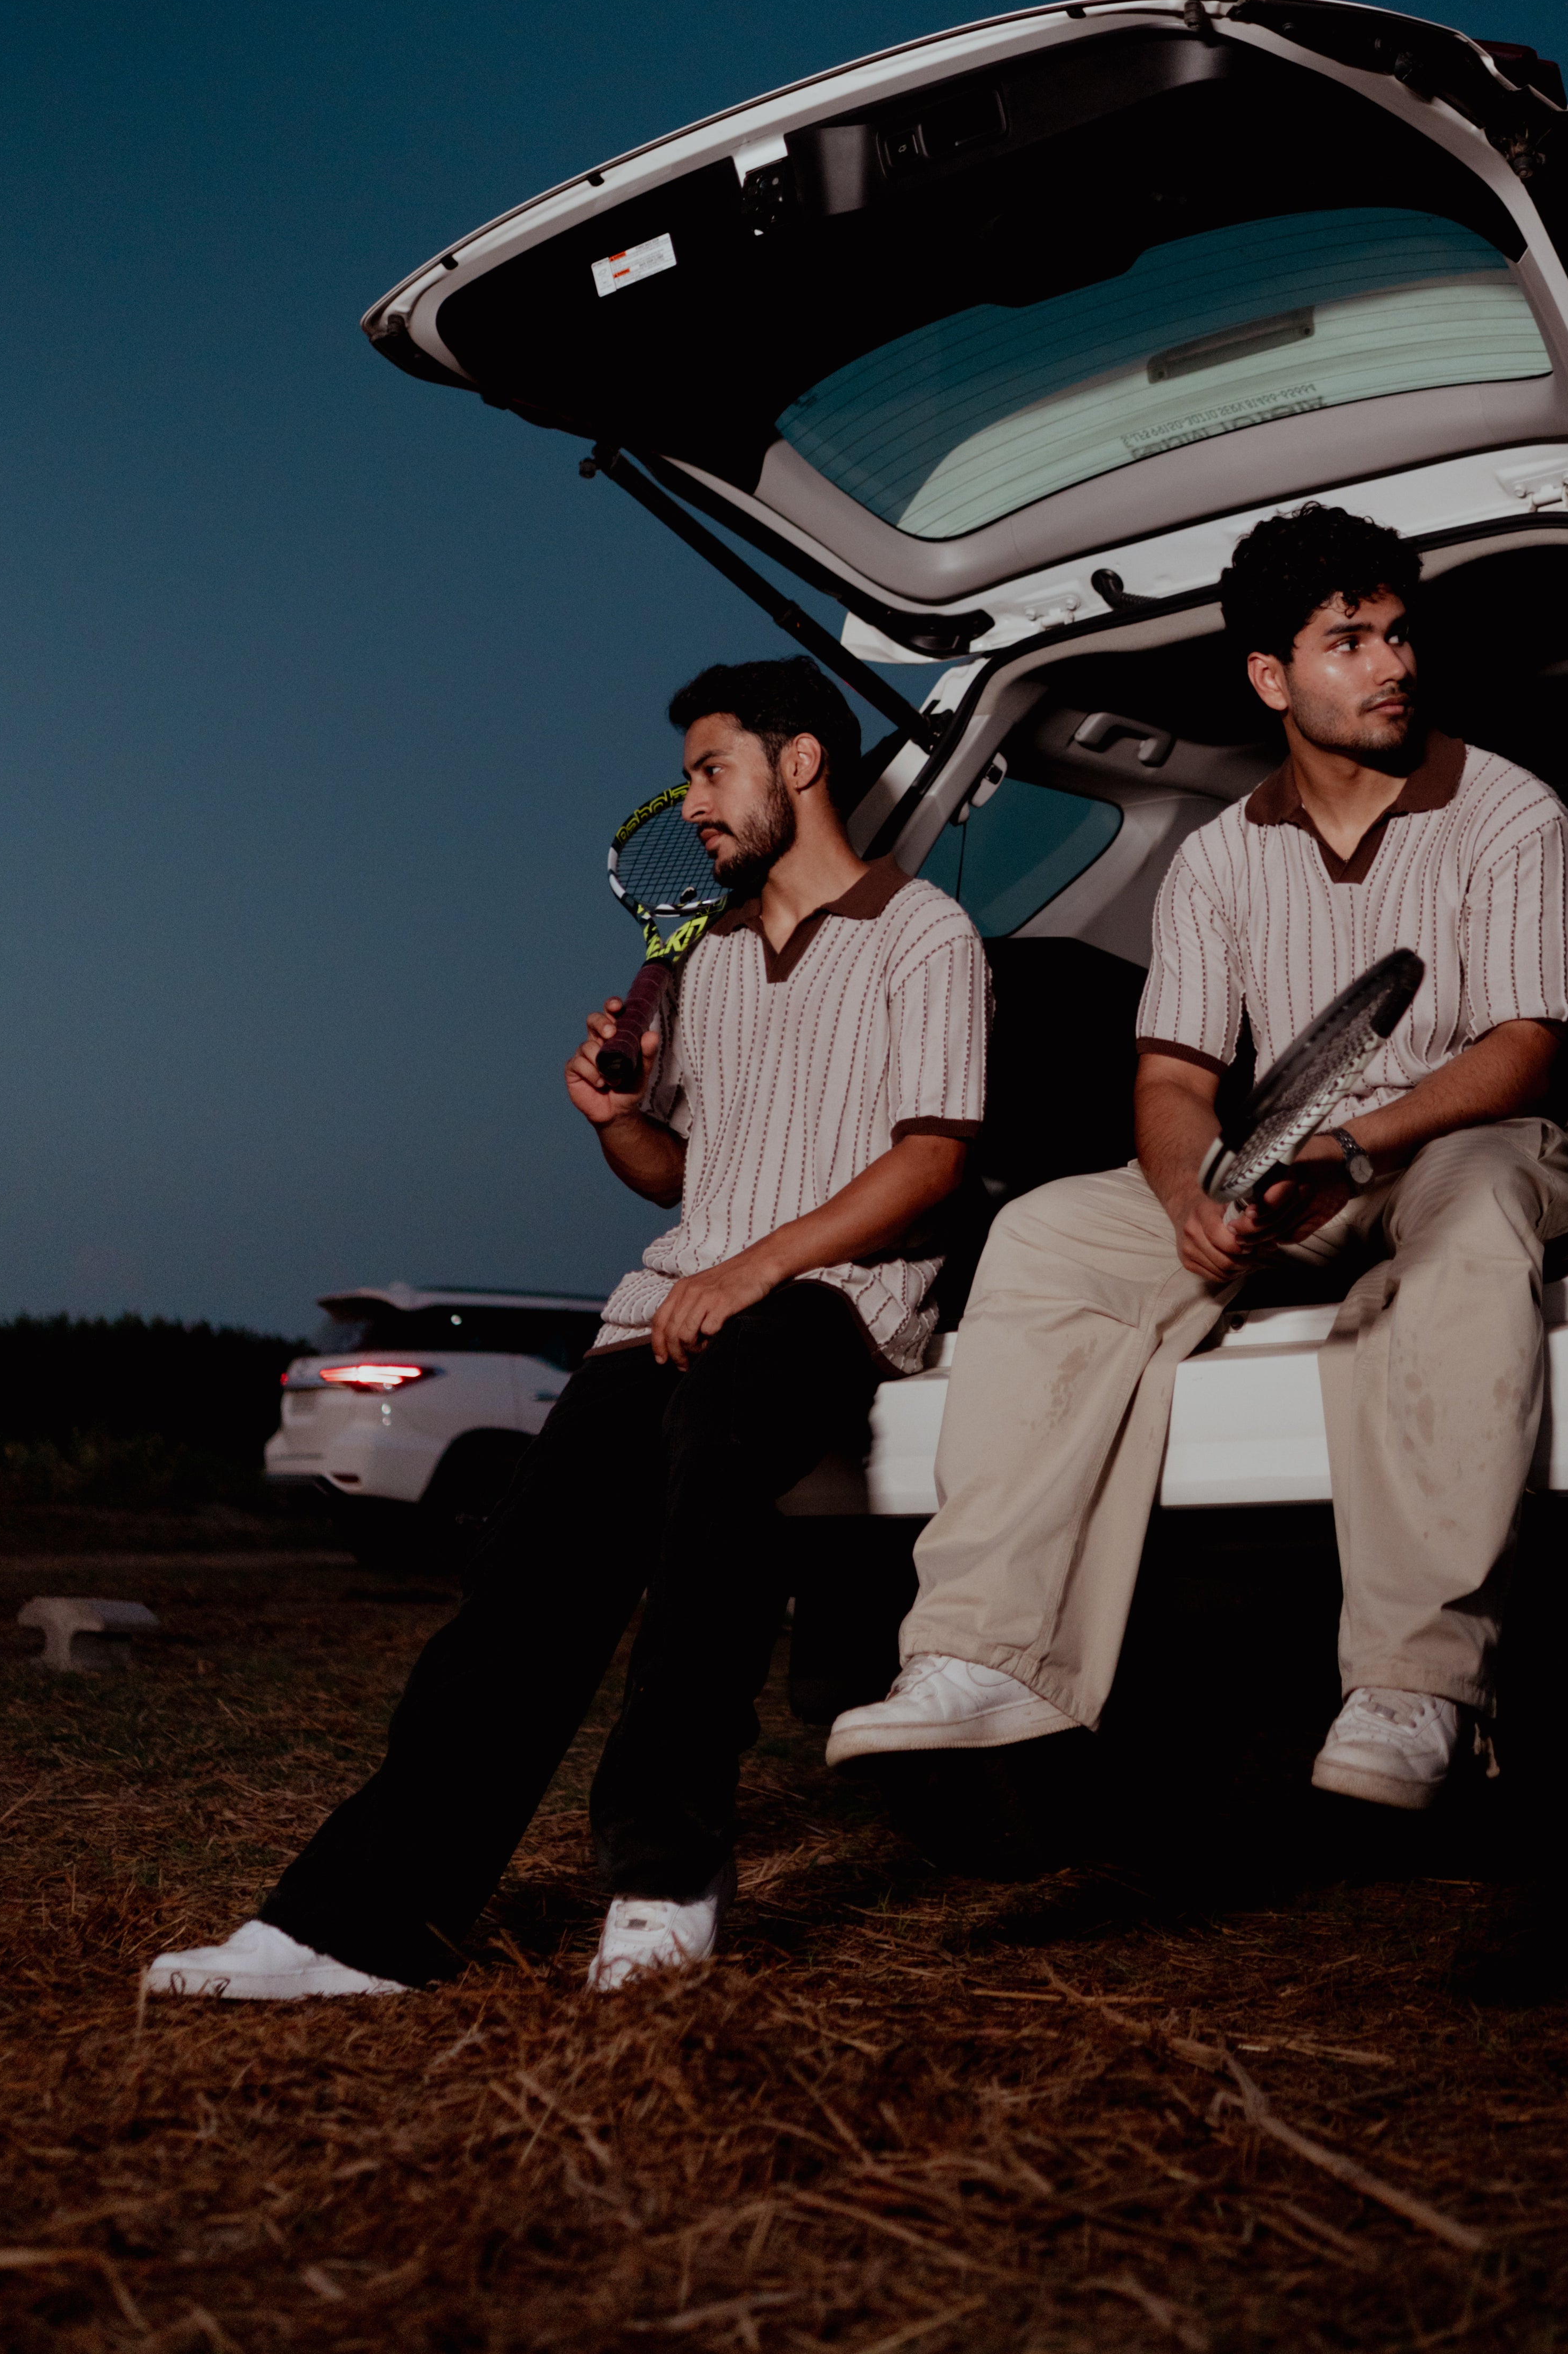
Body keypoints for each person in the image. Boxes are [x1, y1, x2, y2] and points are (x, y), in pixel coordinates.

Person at [148, 657, 988, 1999]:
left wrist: (757, 1268)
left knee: (715, 1476)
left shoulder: (924, 930)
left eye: (711, 770)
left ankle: (665, 1873)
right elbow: (680, 1177)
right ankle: (362, 1925)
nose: (691, 802)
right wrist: (618, 1123)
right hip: (676, 1303)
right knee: (524, 1572)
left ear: (802, 762)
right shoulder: (708, 958)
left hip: (835, 1303)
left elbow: (933, 1159)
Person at [828, 506, 1568, 1810]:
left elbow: (1524, 1049)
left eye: (1398, 634)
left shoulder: (1509, 809)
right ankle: (991, 1656)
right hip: (1292, 1163)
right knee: (1045, 1235)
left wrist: (1350, 1145)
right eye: (1349, 641)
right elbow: (1175, 1080)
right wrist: (1193, 1192)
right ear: (1270, 677)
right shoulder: (1218, 858)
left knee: (1471, 1213)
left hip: (1468, 1140)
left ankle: (1419, 1686)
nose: (1393, 664)